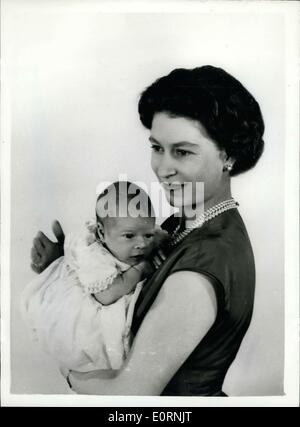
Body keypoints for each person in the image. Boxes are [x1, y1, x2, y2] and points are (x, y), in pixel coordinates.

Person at [30, 65, 264, 396]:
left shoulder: (205, 264)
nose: (162, 168)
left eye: (182, 151)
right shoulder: (184, 223)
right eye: (157, 147)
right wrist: (64, 265)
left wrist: (69, 372)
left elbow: (131, 393)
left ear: (229, 155)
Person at [22, 181, 167, 373]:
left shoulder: (138, 236)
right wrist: (141, 269)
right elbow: (106, 296)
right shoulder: (93, 255)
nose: (141, 243)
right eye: (129, 236)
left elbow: (157, 238)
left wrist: (158, 244)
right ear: (101, 233)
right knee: (93, 339)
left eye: (147, 235)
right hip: (86, 307)